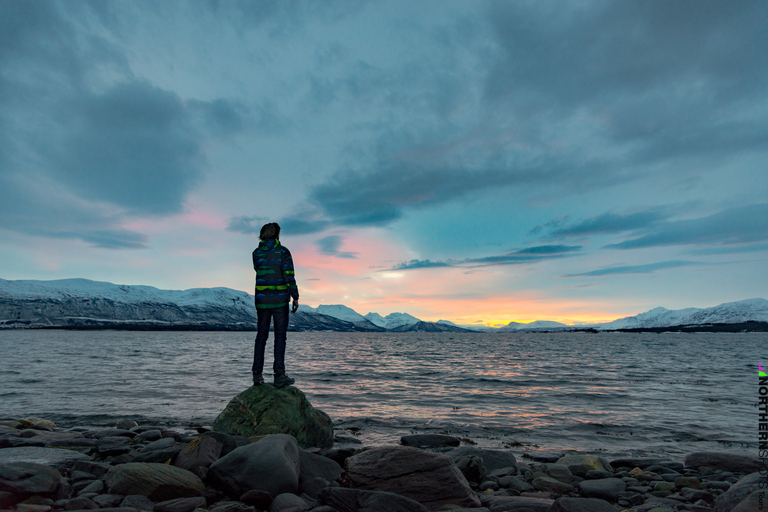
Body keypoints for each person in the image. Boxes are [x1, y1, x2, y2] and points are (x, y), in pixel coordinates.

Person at [251, 222, 299, 387]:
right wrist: (295, 296)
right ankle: (279, 375)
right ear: (277, 234)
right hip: (279, 301)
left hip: (262, 301)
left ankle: (257, 375)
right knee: (280, 337)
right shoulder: (283, 252)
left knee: (261, 336)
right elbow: (289, 275)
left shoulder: (256, 253)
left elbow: (259, 270)